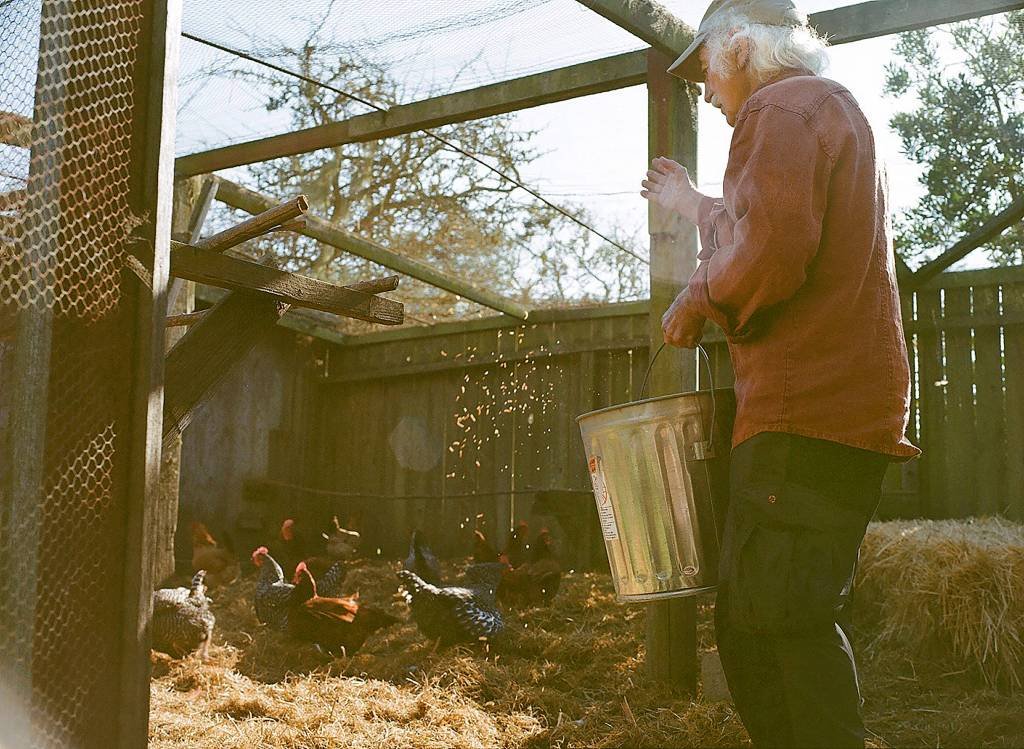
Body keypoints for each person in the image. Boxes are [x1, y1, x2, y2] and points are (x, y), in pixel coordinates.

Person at [640, 1, 920, 747]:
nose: (704, 88)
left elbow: (769, 255)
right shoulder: (817, 110)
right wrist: (694, 205)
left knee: (777, 623)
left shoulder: (779, 109)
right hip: (836, 410)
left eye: (703, 65)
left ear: (737, 47)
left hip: (804, 410)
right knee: (769, 616)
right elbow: (768, 225)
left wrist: (696, 297)